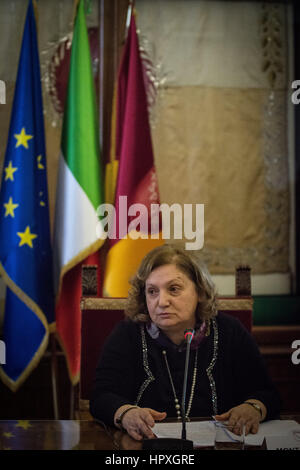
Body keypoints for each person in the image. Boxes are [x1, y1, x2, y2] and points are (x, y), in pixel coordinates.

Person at [90, 244, 281, 441]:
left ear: (200, 291)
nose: (161, 301)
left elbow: (268, 394)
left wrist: (253, 407)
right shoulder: (127, 333)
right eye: (152, 291)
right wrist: (125, 413)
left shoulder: (229, 331)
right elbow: (101, 396)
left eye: (173, 289)